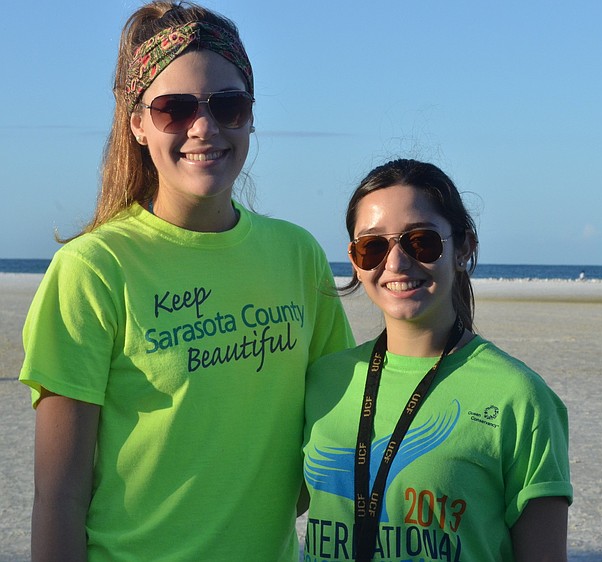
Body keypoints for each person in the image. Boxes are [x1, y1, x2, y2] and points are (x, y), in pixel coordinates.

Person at [19, 2, 352, 560]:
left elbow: (331, 438)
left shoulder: (297, 255)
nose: (205, 127)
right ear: (138, 125)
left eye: (229, 105)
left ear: (250, 115)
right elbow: (59, 497)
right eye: (174, 109)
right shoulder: (93, 268)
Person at [302, 159, 572, 561]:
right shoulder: (324, 380)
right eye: (372, 246)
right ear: (355, 262)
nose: (394, 263)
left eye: (420, 241)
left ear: (463, 248)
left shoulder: (520, 397)